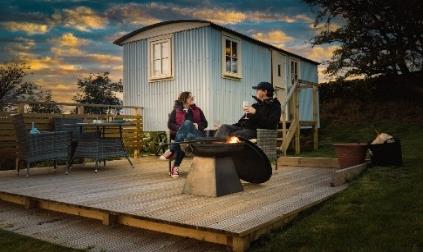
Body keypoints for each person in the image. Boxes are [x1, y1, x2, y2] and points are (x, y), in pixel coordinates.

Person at [160, 91, 208, 178]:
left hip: (196, 135)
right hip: (186, 137)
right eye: (190, 97)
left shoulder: (198, 110)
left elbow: (205, 123)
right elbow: (170, 124)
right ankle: (175, 166)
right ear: (184, 99)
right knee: (184, 138)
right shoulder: (175, 111)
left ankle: (172, 151)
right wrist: (181, 129)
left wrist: (198, 125)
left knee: (187, 124)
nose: (192, 98)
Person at [215, 82, 281, 139]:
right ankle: (217, 149)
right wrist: (231, 127)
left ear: (265, 91)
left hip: (257, 131)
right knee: (224, 127)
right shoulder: (255, 105)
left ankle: (224, 151)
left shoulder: (275, 106)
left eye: (258, 90)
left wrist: (255, 112)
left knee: (235, 135)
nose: (256, 91)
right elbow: (242, 121)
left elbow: (271, 123)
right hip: (244, 128)